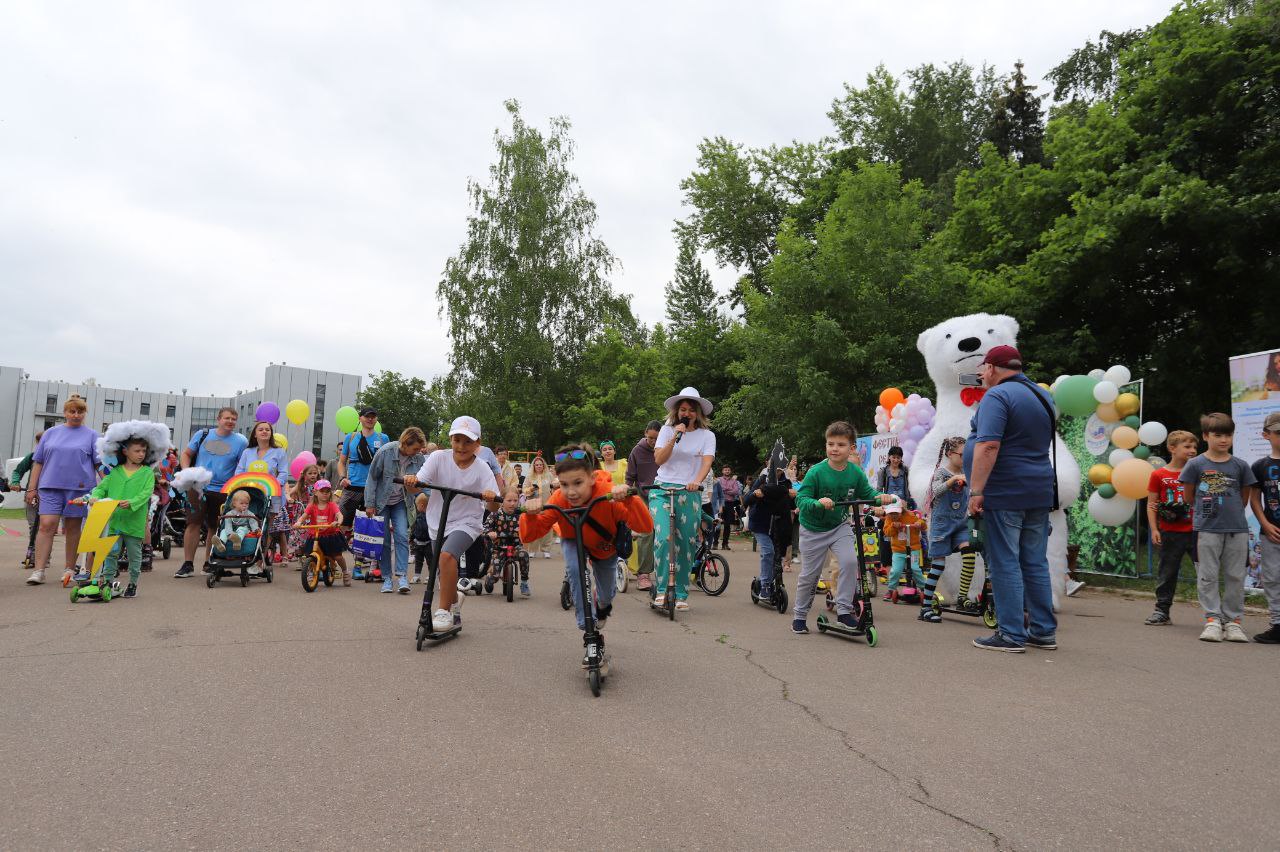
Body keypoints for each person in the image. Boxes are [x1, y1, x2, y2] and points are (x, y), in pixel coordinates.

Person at [520, 444, 654, 665]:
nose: (571, 491)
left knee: (606, 596)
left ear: (592, 478)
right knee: (574, 568)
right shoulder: (558, 499)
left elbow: (645, 526)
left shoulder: (607, 495)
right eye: (564, 484)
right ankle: (588, 629)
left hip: (605, 546)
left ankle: (600, 608)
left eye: (578, 483)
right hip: (574, 540)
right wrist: (531, 514)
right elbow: (529, 535)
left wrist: (629, 499)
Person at [963, 345, 1058, 653]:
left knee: (1005, 562)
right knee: (1034, 561)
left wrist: (976, 490)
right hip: (1039, 489)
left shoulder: (997, 396)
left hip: (1006, 490)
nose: (980, 374)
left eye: (983, 368)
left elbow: (988, 445)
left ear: (992, 367)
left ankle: (1011, 634)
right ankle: (1043, 630)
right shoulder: (1043, 396)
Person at [791, 421, 898, 634]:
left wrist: (881, 499)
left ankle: (844, 612)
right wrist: (817, 502)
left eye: (840, 445)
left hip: (839, 526)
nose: (834, 449)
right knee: (810, 576)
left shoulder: (855, 473)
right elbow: (801, 499)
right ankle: (800, 615)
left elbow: (868, 494)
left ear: (851, 449)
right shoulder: (816, 472)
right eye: (830, 444)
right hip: (813, 529)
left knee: (850, 562)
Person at [405, 417, 500, 633]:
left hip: (468, 522)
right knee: (443, 569)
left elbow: (493, 507)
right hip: (437, 520)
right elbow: (417, 486)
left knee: (447, 556)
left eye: (468, 442)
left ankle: (443, 611)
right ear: (450, 439)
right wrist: (412, 483)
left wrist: (491, 497)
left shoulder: (482, 468)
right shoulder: (438, 458)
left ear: (478, 444)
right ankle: (455, 607)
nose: (461, 446)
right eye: (457, 440)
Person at [1180, 413, 1257, 643]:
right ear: (1206, 436)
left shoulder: (1240, 465)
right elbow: (1188, 496)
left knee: (1235, 575)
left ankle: (1233, 622)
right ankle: (1212, 619)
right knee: (1207, 574)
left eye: (1228, 435)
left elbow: (1244, 497)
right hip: (1206, 529)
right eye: (1218, 435)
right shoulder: (1196, 464)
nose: (1224, 440)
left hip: (1237, 530)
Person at [650, 388, 717, 611]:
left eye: (690, 410)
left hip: (689, 492)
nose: (686, 413)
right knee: (663, 539)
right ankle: (661, 590)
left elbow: (707, 462)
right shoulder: (667, 431)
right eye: (682, 410)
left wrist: (696, 482)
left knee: (686, 543)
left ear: (697, 413)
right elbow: (659, 459)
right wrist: (674, 438)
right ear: (677, 412)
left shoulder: (707, 436)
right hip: (662, 489)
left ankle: (680, 593)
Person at [24, 397, 101, 585]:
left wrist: (111, 484)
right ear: (65, 413)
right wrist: (32, 488)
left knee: (73, 528)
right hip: (50, 486)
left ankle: (69, 568)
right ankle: (39, 570)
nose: (76, 415)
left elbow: (100, 464)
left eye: (80, 412)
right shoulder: (50, 433)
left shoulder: (92, 435)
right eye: (72, 411)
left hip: (79, 488)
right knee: (46, 524)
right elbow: (38, 462)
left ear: (84, 414)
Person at [176, 407, 248, 578]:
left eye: (233, 419)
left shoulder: (241, 442)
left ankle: (210, 563)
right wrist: (187, 472)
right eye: (227, 418)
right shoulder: (203, 434)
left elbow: (241, 465)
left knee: (215, 528)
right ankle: (187, 564)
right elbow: (186, 454)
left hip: (224, 490)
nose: (230, 421)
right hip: (198, 487)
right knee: (193, 523)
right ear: (218, 419)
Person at [83, 435, 158, 598]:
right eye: (137, 451)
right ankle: (108, 581)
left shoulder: (147, 473)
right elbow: (101, 488)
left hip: (134, 522)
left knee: (134, 554)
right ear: (125, 451)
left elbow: (146, 493)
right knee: (110, 552)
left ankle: (132, 583)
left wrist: (131, 502)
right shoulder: (115, 472)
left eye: (143, 451)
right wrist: (95, 496)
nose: (141, 454)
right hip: (115, 520)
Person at [1143, 430, 1199, 626]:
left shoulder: (1199, 472)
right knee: (1167, 572)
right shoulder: (1159, 474)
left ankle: (1215, 614)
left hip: (1197, 532)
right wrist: (1154, 529)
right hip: (1170, 532)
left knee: (1206, 573)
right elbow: (1151, 504)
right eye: (1187, 447)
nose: (1192, 450)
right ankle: (1162, 610)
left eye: (1194, 447)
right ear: (1172, 448)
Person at [364, 427, 429, 594]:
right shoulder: (385, 452)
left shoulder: (418, 458)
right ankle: (386, 578)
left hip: (401, 501)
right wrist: (369, 503)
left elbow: (425, 480)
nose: (417, 452)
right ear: (405, 443)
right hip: (382, 502)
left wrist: (433, 499)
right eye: (414, 448)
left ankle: (401, 576)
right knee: (384, 540)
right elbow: (372, 478)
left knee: (401, 535)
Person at [919, 436, 974, 622]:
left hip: (960, 524)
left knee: (969, 553)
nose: (966, 458)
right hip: (941, 525)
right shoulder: (941, 473)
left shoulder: (968, 472)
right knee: (938, 566)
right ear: (950, 454)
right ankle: (925, 607)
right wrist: (953, 480)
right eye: (962, 455)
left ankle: (962, 597)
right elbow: (936, 491)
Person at [234, 421, 289, 563]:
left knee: (265, 527)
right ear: (255, 433)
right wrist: (240, 484)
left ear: (271, 434)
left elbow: (283, 473)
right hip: (249, 494)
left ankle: (260, 559)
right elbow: (239, 471)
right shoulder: (247, 452)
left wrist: (274, 484)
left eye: (267, 430)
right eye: (261, 429)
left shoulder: (279, 452)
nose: (264, 432)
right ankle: (245, 552)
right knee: (248, 522)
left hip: (271, 494)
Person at [337, 407, 390, 553]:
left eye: (373, 416)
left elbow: (388, 464)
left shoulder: (383, 438)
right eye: (367, 416)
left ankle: (359, 566)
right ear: (360, 418)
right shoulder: (351, 437)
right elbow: (341, 462)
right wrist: (342, 477)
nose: (370, 419)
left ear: (376, 419)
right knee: (341, 525)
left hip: (373, 489)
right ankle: (335, 561)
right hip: (352, 487)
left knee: (367, 529)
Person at [1249, 411, 1280, 644]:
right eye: (1278, 432)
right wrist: (1265, 524)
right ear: (1265, 435)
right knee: (1272, 578)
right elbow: (1254, 499)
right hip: (1272, 534)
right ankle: (1278, 624)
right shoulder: (1260, 465)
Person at [744, 461, 794, 600]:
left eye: (779, 469)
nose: (777, 472)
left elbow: (791, 503)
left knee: (778, 556)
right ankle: (765, 585)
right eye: (774, 469)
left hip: (778, 524)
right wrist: (755, 494)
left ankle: (770, 581)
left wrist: (794, 497)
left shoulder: (786, 482)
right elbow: (746, 500)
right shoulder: (762, 479)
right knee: (768, 552)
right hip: (761, 524)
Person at [625, 420, 662, 590]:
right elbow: (630, 476)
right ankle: (644, 574)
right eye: (651, 438)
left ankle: (667, 572)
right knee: (647, 532)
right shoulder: (637, 451)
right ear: (645, 433)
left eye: (657, 438)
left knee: (666, 532)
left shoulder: (666, 449)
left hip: (663, 493)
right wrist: (628, 496)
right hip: (644, 494)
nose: (654, 442)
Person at [296, 479, 349, 584]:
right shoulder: (312, 506)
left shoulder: (332, 505)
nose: (325, 494)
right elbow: (303, 516)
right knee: (310, 555)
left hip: (331, 535)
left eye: (327, 491)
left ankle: (345, 571)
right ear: (315, 492)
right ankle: (311, 572)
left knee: (337, 556)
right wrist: (298, 522)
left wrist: (338, 522)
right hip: (315, 535)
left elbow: (340, 515)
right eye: (322, 491)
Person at [484, 487, 530, 596]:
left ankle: (524, 581)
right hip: (499, 548)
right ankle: (490, 577)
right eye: (509, 501)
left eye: (515, 501)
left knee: (524, 555)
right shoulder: (495, 515)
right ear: (501, 501)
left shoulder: (520, 514)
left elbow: (531, 523)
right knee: (493, 577)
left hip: (515, 547)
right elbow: (486, 527)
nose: (512, 504)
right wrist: (490, 533)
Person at [9, 431, 42, 569]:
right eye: (40, 443)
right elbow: (18, 471)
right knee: (33, 526)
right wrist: (16, 482)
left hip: (50, 497)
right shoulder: (32, 457)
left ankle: (44, 557)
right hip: (31, 496)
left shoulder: (57, 457)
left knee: (46, 528)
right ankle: (33, 556)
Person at [881, 502, 925, 601]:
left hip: (913, 549)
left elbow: (923, 525)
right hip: (898, 550)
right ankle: (891, 589)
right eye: (891, 513)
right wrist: (893, 526)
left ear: (901, 510)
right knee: (896, 570)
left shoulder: (911, 515)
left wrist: (919, 524)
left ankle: (924, 588)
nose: (893, 515)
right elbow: (887, 533)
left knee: (915, 569)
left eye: (896, 513)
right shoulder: (889, 519)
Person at [523, 455, 557, 558]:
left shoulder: (549, 475)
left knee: (547, 527)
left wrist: (556, 485)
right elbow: (524, 489)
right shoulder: (529, 476)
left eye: (540, 465)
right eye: (537, 465)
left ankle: (546, 550)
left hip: (547, 504)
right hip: (533, 505)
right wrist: (531, 489)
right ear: (533, 466)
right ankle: (532, 550)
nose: (538, 466)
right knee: (533, 527)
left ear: (544, 466)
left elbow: (555, 485)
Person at [286, 464, 320, 567]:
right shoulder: (301, 485)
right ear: (304, 475)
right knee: (300, 536)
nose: (313, 475)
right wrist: (290, 498)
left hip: (314, 513)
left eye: (315, 473)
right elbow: (290, 493)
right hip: (302, 513)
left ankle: (309, 557)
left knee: (312, 535)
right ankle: (301, 559)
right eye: (310, 473)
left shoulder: (319, 485)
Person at [213, 490, 259, 555]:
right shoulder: (229, 514)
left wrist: (255, 529)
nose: (244, 505)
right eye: (242, 503)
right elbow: (228, 525)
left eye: (247, 503)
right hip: (232, 531)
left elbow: (253, 522)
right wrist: (230, 534)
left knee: (241, 529)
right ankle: (221, 543)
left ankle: (238, 540)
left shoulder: (249, 514)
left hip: (245, 529)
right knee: (224, 530)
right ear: (234, 504)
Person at [715, 465, 741, 549]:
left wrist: (724, 490)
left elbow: (736, 491)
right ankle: (715, 543)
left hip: (730, 504)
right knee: (717, 523)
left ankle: (725, 544)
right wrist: (729, 490)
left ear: (730, 471)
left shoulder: (734, 481)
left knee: (727, 524)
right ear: (722, 471)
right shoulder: (718, 480)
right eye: (725, 470)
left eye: (728, 470)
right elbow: (717, 490)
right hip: (719, 503)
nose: (727, 471)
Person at [410, 492, 432, 583]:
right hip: (418, 542)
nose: (417, 508)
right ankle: (417, 575)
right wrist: (412, 537)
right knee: (418, 560)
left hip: (428, 542)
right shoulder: (418, 517)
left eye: (417, 506)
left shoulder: (430, 516)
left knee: (430, 560)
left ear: (422, 505)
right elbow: (414, 528)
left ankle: (431, 576)